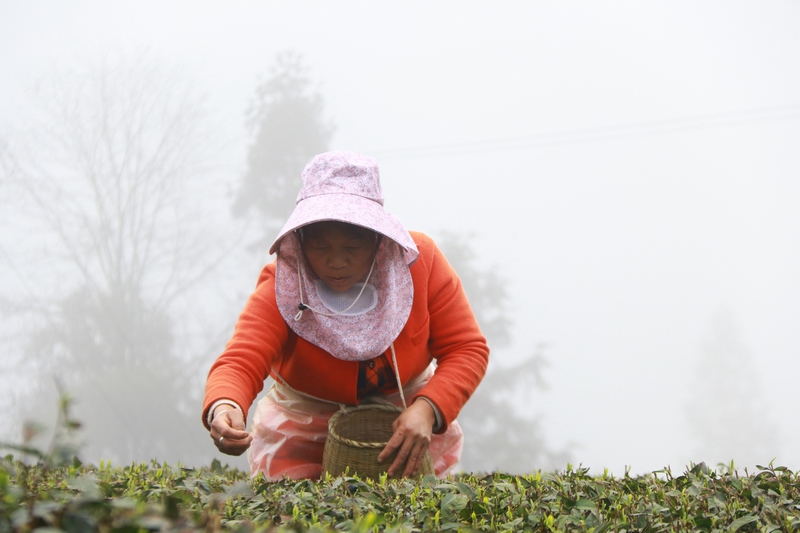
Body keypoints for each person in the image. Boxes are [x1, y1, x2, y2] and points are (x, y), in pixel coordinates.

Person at [202, 150, 489, 479]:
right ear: (300, 240)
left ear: (378, 240)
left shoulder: (420, 264)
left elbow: (467, 349)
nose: (336, 262)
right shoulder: (285, 284)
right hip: (301, 434)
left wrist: (427, 409)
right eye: (320, 247)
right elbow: (242, 358)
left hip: (405, 427)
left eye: (352, 248)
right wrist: (226, 406)